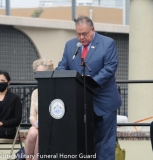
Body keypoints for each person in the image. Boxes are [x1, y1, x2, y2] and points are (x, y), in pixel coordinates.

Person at [56, 15, 122, 159]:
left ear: (92, 29)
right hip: (80, 104)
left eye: (84, 33)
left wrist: (88, 84)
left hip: (104, 102)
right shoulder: (70, 45)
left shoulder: (107, 43)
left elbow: (110, 68)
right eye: (78, 34)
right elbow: (62, 66)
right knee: (81, 143)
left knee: (104, 145)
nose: (81, 37)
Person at [24, 58, 54, 160]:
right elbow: (32, 115)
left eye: (41, 73)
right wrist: (37, 124)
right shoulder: (35, 92)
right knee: (33, 132)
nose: (38, 76)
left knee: (41, 134)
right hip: (37, 125)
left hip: (51, 125)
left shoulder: (55, 90)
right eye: (36, 73)